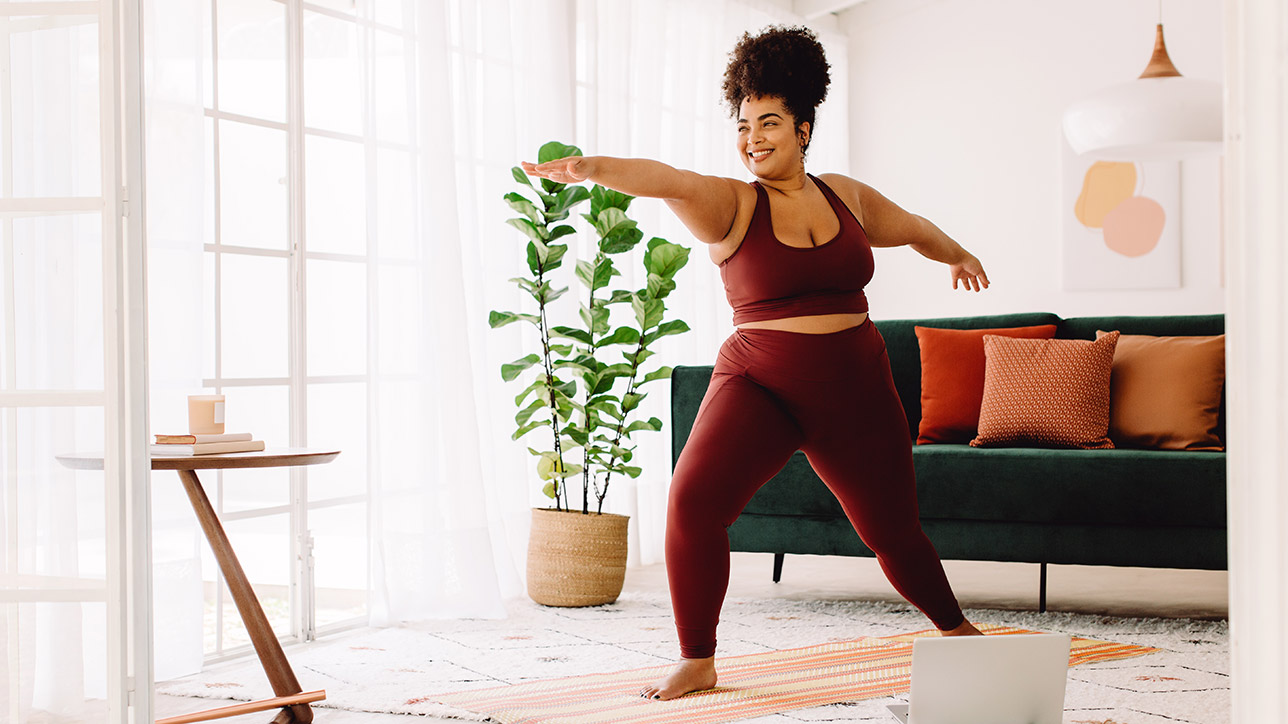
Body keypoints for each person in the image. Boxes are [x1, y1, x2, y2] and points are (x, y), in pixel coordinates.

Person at [522, 25, 987, 702]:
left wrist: (957, 255)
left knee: (892, 531)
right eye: (743, 125)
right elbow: (668, 180)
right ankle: (698, 658)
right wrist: (595, 170)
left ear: (803, 127)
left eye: (768, 122)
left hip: (855, 386)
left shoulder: (846, 197)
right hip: (760, 383)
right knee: (692, 502)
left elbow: (911, 226)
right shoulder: (733, 204)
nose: (753, 138)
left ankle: (955, 630)